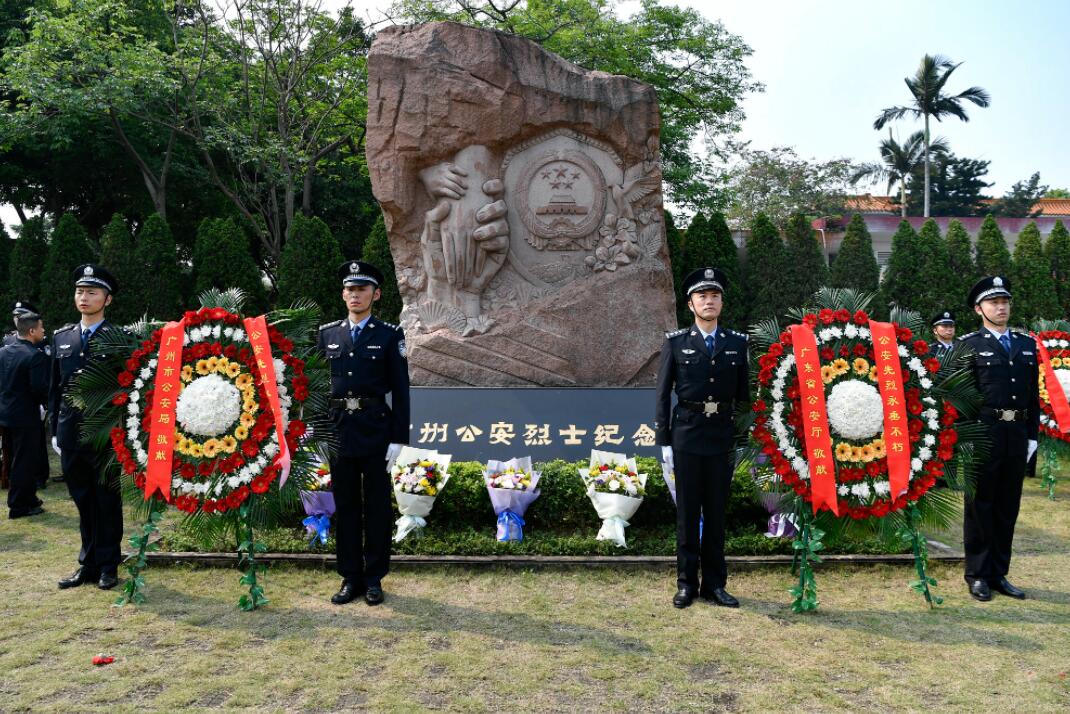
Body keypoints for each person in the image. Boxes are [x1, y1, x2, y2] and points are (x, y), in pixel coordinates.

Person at [655, 267, 750, 609]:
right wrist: (664, 441)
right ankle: (686, 584)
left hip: (721, 437)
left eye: (715, 296)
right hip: (687, 436)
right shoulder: (676, 342)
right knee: (687, 514)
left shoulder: (737, 343)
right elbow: (662, 395)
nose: (709, 301)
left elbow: (743, 397)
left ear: (721, 302)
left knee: (716, 514)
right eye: (702, 296)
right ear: (691, 304)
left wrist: (742, 438)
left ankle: (714, 584)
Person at [317, 260, 410, 606]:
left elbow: (401, 391)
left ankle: (374, 578)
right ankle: (350, 577)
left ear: (376, 294)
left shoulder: (389, 335)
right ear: (343, 295)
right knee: (345, 506)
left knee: (376, 507)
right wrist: (318, 432)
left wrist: (399, 439)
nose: (355, 295)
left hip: (376, 431)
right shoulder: (328, 335)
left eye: (362, 289)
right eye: (350, 290)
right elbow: (316, 388)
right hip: (339, 431)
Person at [958, 275, 1038, 601]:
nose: (1001, 307)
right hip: (984, 434)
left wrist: (1032, 436)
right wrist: (965, 438)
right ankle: (977, 574)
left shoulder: (1026, 344)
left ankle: (998, 573)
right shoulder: (968, 345)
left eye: (1005, 302)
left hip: (1016, 434)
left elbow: (1033, 395)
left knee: (1007, 506)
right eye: (994, 302)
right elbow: (961, 398)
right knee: (980, 506)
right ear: (979, 309)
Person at [50, 265, 125, 591]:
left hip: (105, 434)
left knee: (106, 501)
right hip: (71, 433)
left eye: (92, 292)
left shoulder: (119, 339)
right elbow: (55, 387)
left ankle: (108, 565)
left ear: (107, 299)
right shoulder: (62, 337)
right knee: (82, 500)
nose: (84, 298)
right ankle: (88, 564)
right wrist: (55, 431)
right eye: (80, 291)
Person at [0, 303, 49, 519]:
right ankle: (18, 505)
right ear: (31, 331)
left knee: (15, 458)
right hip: (26, 416)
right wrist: (47, 405)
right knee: (24, 461)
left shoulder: (3, 351)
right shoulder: (34, 355)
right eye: (41, 328)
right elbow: (39, 389)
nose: (43, 331)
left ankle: (28, 498)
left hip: (5, 414)